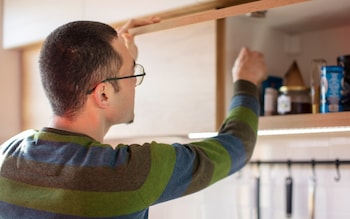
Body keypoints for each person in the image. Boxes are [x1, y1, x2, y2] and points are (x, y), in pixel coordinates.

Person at [0, 17, 267, 219]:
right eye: (133, 74)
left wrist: (121, 66)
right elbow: (238, 146)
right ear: (103, 94)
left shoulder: (7, 156)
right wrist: (246, 82)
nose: (135, 82)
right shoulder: (129, 173)